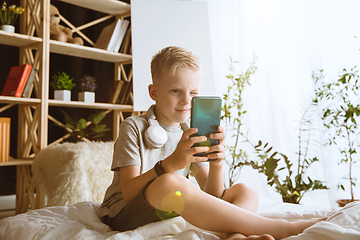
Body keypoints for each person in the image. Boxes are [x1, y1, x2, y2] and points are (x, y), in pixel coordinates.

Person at [100, 46, 324, 240]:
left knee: (244, 191)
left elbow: (212, 195)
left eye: (193, 92)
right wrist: (170, 164)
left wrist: (217, 163)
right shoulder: (134, 127)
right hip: (124, 214)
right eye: (176, 91)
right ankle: (284, 228)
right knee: (169, 182)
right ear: (154, 92)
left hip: (169, 206)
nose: (186, 101)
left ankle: (235, 236)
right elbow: (129, 193)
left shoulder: (192, 132)